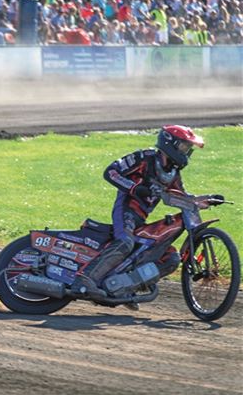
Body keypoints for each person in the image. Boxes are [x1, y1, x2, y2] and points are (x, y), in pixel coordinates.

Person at [71, 125, 212, 309]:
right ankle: (84, 280)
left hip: (142, 219)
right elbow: (111, 172)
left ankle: (126, 288)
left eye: (188, 148)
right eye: (184, 147)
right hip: (126, 211)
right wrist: (135, 189)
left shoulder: (173, 173)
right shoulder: (144, 158)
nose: (186, 152)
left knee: (171, 258)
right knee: (125, 243)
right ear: (170, 143)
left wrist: (203, 200)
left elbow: (179, 197)